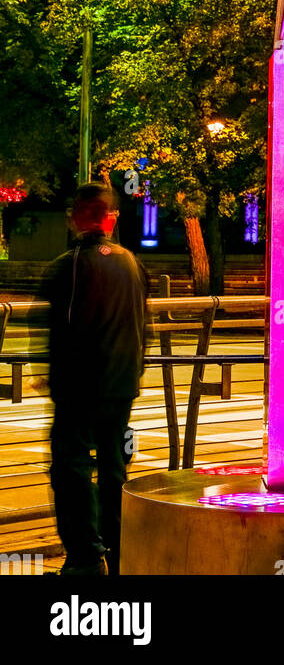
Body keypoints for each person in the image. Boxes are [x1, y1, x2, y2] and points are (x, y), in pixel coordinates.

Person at [39, 182, 148, 576]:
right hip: (121, 384)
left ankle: (86, 556)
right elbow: (142, 323)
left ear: (77, 218)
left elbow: (61, 330)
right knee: (114, 466)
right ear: (110, 217)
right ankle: (120, 551)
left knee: (71, 468)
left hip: (80, 387)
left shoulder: (68, 266)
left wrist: (50, 378)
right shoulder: (131, 263)